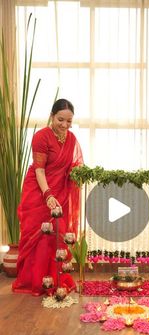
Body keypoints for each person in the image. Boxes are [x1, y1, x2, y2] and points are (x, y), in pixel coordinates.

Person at [12, 98, 83, 296]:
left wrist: (79, 174)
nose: (65, 125)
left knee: (56, 237)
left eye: (69, 121)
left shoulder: (72, 139)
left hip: (61, 192)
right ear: (52, 116)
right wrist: (48, 194)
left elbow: (75, 166)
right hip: (39, 192)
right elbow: (39, 170)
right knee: (40, 237)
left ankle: (56, 280)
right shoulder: (41, 137)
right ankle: (35, 281)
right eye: (61, 119)